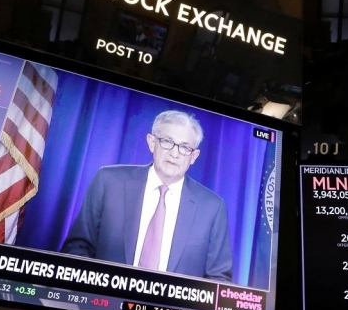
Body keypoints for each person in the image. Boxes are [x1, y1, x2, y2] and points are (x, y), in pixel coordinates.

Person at [62, 110, 232, 281]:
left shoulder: (212, 207)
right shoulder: (109, 181)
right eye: (167, 142)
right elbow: (78, 246)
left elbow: (219, 278)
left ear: (194, 156)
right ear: (152, 143)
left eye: (185, 147)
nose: (175, 153)